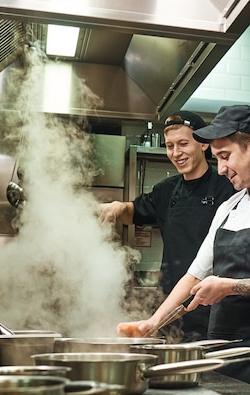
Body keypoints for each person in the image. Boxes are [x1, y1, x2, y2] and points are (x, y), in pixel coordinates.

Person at [116, 105, 250, 395]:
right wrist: (152, 323)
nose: (221, 169)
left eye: (225, 156)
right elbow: (194, 275)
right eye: (216, 158)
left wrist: (230, 286)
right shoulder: (230, 207)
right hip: (224, 357)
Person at [98, 111, 236, 341]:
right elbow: (133, 212)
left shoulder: (227, 187)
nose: (176, 153)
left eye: (183, 144)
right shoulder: (166, 190)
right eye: (170, 146)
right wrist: (119, 207)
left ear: (203, 145)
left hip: (214, 305)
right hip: (172, 304)